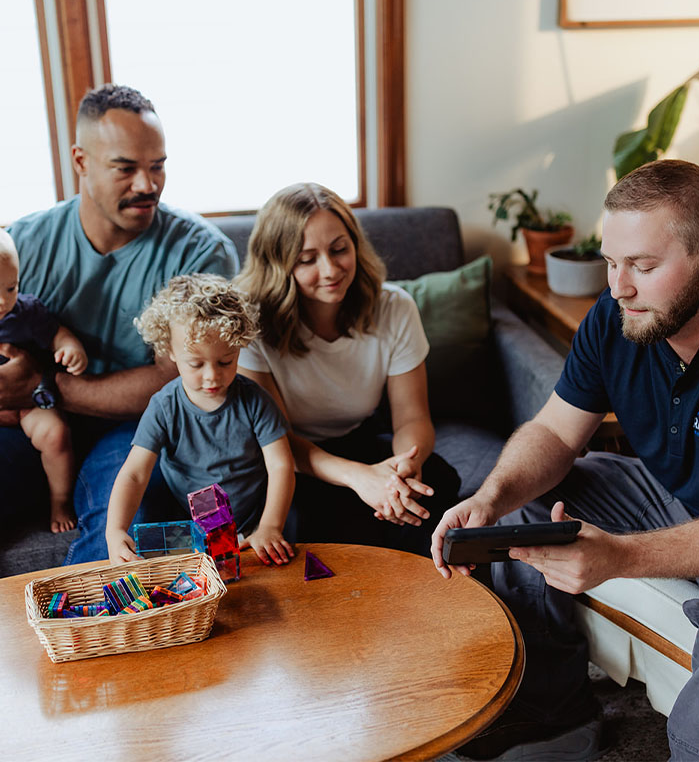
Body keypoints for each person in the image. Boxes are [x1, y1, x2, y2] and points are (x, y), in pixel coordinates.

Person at [431, 159, 699, 762]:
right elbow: (554, 431)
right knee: (524, 506)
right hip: (665, 493)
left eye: (644, 266)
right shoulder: (618, 315)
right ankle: (553, 715)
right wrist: (491, 497)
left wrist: (620, 557)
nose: (618, 286)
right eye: (611, 262)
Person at [2, 83, 238, 564]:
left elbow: (178, 376)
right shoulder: (22, 244)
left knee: (126, 528)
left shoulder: (197, 252)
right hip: (27, 423)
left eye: (158, 166)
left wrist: (44, 386)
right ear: (81, 161)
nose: (148, 185)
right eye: (126, 168)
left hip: (134, 428)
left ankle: (90, 633)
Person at [236, 182, 460, 557]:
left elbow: (412, 417)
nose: (330, 269)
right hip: (287, 461)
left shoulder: (395, 308)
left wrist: (403, 468)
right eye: (307, 259)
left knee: (433, 489)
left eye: (339, 249)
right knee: (318, 526)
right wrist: (360, 478)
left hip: (360, 441)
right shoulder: (251, 324)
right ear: (278, 264)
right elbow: (280, 440)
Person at [106, 274, 295, 566]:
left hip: (257, 519)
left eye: (226, 361)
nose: (212, 376)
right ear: (169, 351)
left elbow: (281, 465)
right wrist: (115, 530)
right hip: (193, 526)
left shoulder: (254, 400)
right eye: (196, 363)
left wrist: (270, 525)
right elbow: (134, 473)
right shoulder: (164, 406)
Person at [0, 230, 88, 532]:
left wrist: (70, 348)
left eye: (11, 288)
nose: (2, 300)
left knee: (56, 434)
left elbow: (56, 334)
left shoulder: (26, 312)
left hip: (30, 402)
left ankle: (60, 500)